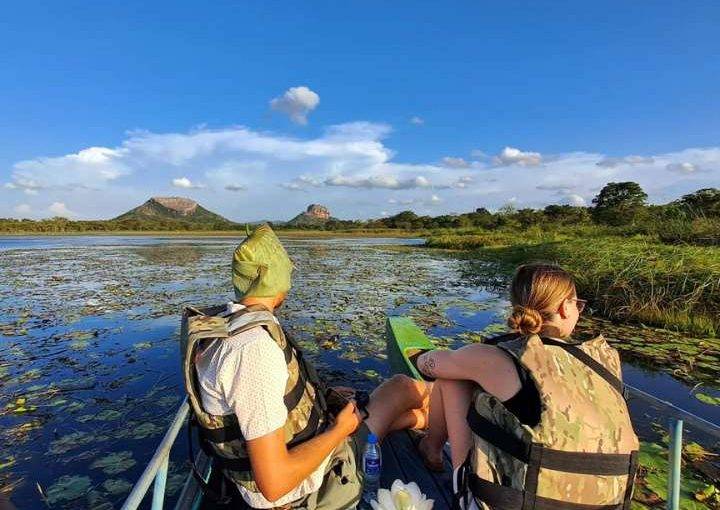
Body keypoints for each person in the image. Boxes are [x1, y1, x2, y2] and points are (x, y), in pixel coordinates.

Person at [182, 224, 429, 509]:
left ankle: (419, 424)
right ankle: (433, 448)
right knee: (402, 387)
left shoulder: (231, 324)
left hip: (288, 459)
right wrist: (339, 430)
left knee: (395, 407)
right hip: (307, 492)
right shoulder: (253, 349)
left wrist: (316, 395)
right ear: (280, 279)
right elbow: (275, 484)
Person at [413, 262, 639, 510]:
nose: (579, 311)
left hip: (526, 502)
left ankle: (432, 450)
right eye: (579, 304)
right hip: (613, 504)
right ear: (565, 308)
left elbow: (429, 365)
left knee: (451, 378)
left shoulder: (496, 358)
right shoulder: (604, 361)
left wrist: (428, 357)